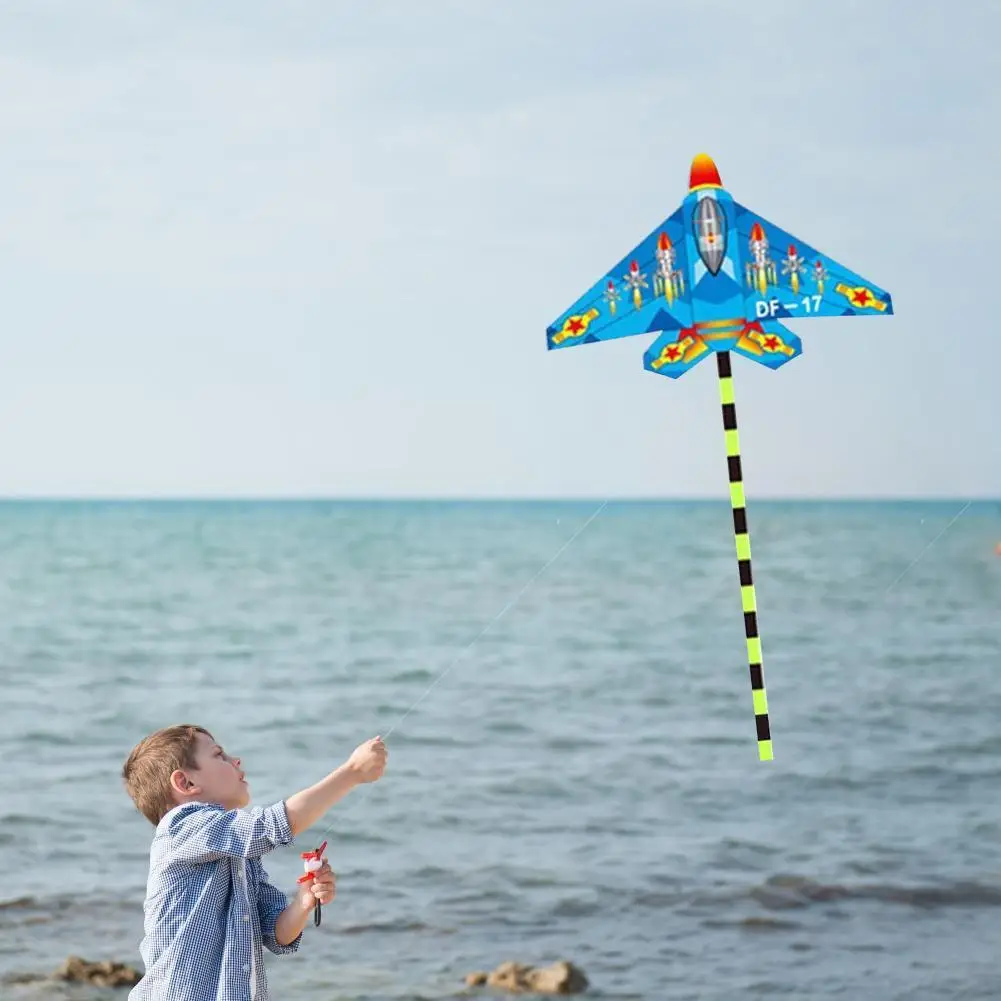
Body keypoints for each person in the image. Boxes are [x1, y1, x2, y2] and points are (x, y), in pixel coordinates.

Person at [121, 724, 387, 1001]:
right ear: (186, 783)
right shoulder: (181, 827)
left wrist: (303, 902)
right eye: (219, 755)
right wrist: (352, 772)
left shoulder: (238, 853)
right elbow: (272, 826)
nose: (235, 760)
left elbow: (276, 933)